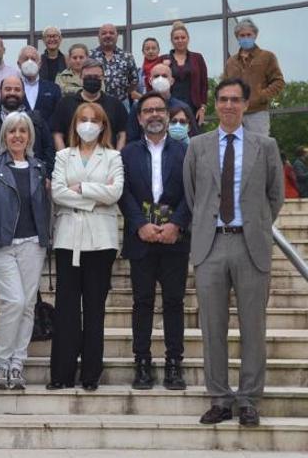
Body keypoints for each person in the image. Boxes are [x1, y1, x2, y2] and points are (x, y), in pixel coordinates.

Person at [183, 78, 283, 427]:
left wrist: (255, 224)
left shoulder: (265, 145)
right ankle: (220, 399)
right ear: (215, 104)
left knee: (253, 326)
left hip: (250, 244)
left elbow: (275, 196)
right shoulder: (197, 146)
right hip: (211, 245)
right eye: (223, 99)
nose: (228, 105)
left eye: (235, 100)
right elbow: (193, 195)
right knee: (212, 327)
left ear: (245, 104)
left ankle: (250, 399)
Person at [0, 112, 50, 390]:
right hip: (1, 245)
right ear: (4, 135)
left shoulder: (39, 167)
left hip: (33, 245)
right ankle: (1, 363)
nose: (17, 135)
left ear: (30, 136)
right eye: (12, 130)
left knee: (27, 306)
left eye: (22, 131)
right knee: (14, 302)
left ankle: (17, 364)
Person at [48, 101, 124, 391]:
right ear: (75, 124)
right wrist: (96, 194)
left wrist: (81, 189)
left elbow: (115, 191)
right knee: (66, 308)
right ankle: (62, 373)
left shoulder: (113, 156)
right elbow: (57, 193)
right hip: (68, 238)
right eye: (83, 119)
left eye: (94, 119)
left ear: (103, 125)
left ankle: (91, 373)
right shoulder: (64, 156)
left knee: (94, 308)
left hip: (101, 241)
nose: (88, 124)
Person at [119, 91, 191, 391]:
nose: (154, 115)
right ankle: (143, 363)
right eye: (147, 111)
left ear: (168, 114)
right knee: (142, 303)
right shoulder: (127, 153)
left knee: (174, 302)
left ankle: (174, 364)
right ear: (139, 118)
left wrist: (177, 224)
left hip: (175, 239)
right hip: (142, 238)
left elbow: (194, 191)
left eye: (159, 110)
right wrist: (139, 224)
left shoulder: (186, 152)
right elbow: (123, 193)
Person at [0, 76, 55, 175]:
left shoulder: (36, 121)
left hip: (32, 178)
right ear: (0, 91)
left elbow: (49, 149)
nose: (12, 93)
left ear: (24, 93)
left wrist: (47, 176)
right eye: (8, 89)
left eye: (17, 89)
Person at [223, 18, 285, 135]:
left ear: (255, 35)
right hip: (235, 114)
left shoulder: (267, 57)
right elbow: (224, 87)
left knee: (259, 148)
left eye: (248, 35)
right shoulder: (231, 62)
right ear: (237, 37)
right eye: (242, 35)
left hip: (258, 113)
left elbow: (279, 82)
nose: (245, 38)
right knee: (235, 150)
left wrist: (262, 95)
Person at [51, 58, 127, 151]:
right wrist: (64, 158)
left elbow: (122, 133)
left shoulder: (115, 104)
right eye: (88, 77)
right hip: (73, 159)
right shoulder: (65, 103)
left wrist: (117, 157)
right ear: (80, 77)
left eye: (96, 77)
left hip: (108, 159)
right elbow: (57, 134)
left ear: (103, 78)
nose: (92, 80)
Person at [126, 63, 198, 143]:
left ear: (172, 81)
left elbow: (194, 138)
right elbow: (132, 138)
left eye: (164, 76)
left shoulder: (183, 108)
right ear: (150, 81)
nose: (160, 79)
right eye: (156, 76)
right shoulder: (138, 107)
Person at [162, 21, 209, 125]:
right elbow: (157, 84)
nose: (180, 40)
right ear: (172, 40)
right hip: (170, 106)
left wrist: (203, 107)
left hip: (193, 107)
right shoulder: (164, 59)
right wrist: (164, 67)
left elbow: (204, 84)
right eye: (176, 38)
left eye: (183, 37)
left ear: (188, 39)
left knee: (194, 139)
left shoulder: (197, 58)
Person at [91, 23, 139, 105]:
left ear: (117, 36)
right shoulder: (90, 56)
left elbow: (134, 80)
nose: (108, 35)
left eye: (111, 33)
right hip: (96, 103)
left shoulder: (127, 56)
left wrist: (122, 93)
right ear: (98, 37)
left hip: (122, 103)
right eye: (104, 33)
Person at [18, 45, 61, 123]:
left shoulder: (53, 89)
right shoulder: (12, 89)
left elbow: (58, 118)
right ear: (19, 64)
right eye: (26, 59)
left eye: (33, 59)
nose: (30, 62)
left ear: (40, 64)